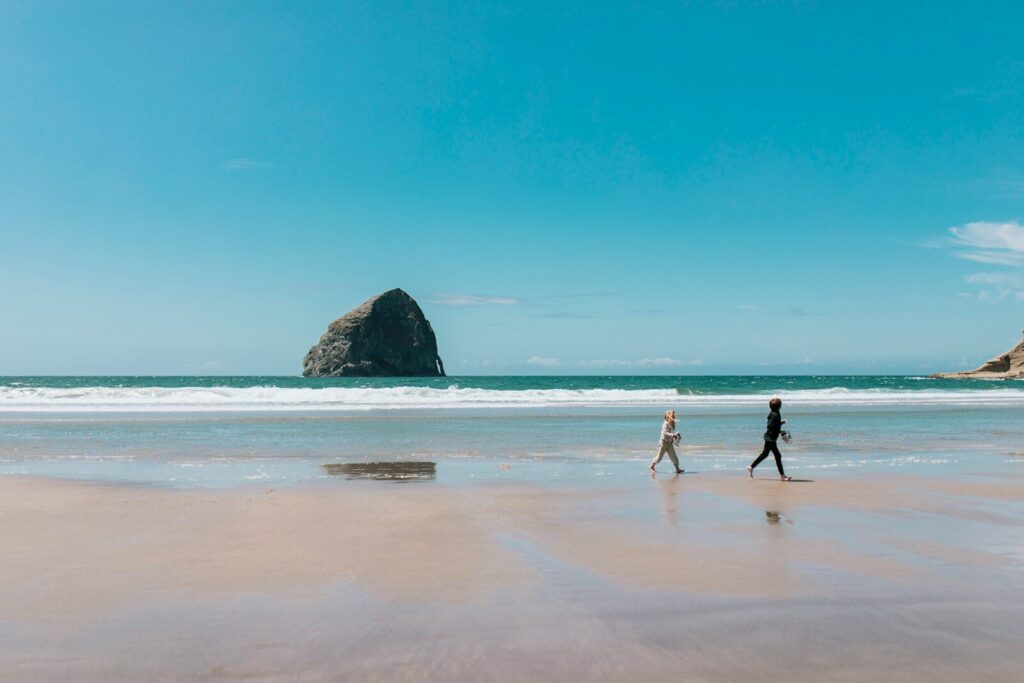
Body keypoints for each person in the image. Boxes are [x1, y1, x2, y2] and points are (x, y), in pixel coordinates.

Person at [747, 397, 792, 481]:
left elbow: (773, 424)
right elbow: (770, 426)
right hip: (770, 438)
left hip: (770, 437)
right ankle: (782, 476)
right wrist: (780, 431)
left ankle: (751, 467)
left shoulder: (774, 413)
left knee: (765, 454)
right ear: (779, 406)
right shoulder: (775, 414)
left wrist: (780, 423)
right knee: (778, 456)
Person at [650, 410, 684, 474]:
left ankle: (677, 469)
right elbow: (665, 433)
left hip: (669, 442)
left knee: (673, 455)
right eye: (672, 416)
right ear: (668, 417)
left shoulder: (671, 423)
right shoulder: (665, 423)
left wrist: (675, 435)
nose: (674, 418)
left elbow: (670, 433)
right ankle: (652, 466)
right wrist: (673, 435)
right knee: (659, 457)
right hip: (663, 442)